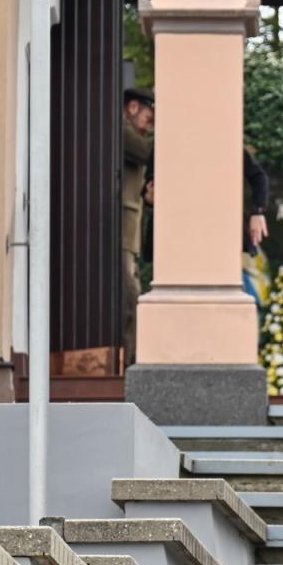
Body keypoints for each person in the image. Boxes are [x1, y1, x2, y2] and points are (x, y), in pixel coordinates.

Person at [121, 88, 155, 363]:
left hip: (128, 231)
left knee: (132, 293)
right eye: (149, 114)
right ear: (132, 108)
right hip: (121, 230)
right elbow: (148, 153)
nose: (151, 122)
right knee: (130, 296)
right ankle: (132, 361)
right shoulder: (123, 132)